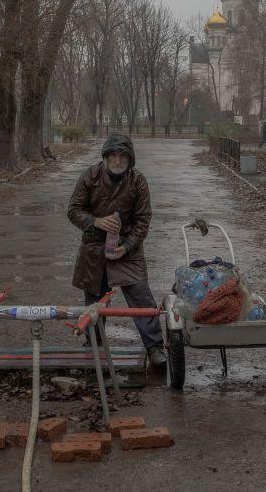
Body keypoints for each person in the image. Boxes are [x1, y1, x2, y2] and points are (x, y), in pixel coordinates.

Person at [67, 133, 166, 367]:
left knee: (141, 295)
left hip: (127, 248)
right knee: (95, 300)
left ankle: (154, 347)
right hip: (94, 248)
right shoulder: (90, 176)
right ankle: (93, 345)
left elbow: (143, 220)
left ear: (130, 159)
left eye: (123, 156)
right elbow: (73, 210)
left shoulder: (137, 181)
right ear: (105, 156)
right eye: (113, 155)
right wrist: (96, 222)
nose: (118, 160)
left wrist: (127, 246)